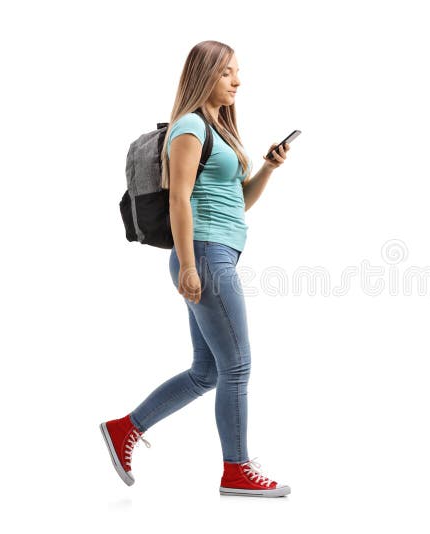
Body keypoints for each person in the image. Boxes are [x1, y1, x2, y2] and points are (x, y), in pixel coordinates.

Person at [100, 40, 292, 498]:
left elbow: (238, 203)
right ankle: (237, 470)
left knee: (208, 371)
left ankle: (125, 428)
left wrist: (266, 167)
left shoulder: (218, 130)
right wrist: (188, 265)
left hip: (217, 250)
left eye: (237, 72)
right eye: (228, 73)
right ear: (205, 74)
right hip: (204, 254)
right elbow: (178, 199)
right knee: (239, 365)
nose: (238, 81)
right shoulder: (189, 127)